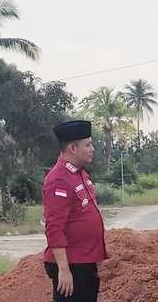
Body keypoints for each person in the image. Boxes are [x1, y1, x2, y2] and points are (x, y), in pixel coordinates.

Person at [42, 120, 107, 302]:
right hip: (71, 264)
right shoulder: (58, 180)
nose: (92, 148)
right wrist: (63, 269)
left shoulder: (80, 174)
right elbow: (54, 228)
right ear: (72, 147)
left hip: (84, 261)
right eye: (88, 145)